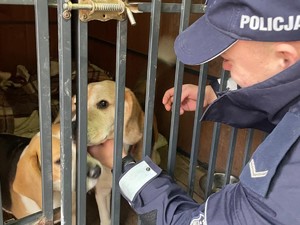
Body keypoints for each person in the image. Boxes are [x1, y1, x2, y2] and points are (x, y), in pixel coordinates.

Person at [88, 0, 300, 224]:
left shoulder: (288, 178)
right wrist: (215, 94)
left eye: (229, 59)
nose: (224, 67)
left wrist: (124, 166)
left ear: (285, 57)